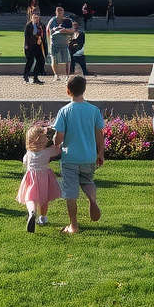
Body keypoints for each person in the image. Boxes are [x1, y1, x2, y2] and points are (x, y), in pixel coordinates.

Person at [51, 75, 105, 234]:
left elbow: (59, 136)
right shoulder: (93, 110)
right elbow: (99, 134)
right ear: (84, 90)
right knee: (87, 181)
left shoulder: (64, 111)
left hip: (70, 158)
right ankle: (92, 200)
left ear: (68, 91)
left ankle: (73, 225)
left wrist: (55, 141)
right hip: (89, 156)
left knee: (70, 192)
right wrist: (100, 153)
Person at [16, 124, 62, 231]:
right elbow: (58, 150)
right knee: (44, 200)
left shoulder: (29, 153)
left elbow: (25, 161)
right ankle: (42, 217)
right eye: (45, 137)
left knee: (30, 198)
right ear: (41, 141)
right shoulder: (48, 151)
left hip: (31, 177)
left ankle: (32, 212)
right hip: (44, 177)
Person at [46, 6, 74, 81]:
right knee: (54, 59)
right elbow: (48, 30)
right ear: (56, 12)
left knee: (67, 59)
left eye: (61, 11)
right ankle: (56, 75)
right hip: (55, 43)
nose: (60, 13)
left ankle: (67, 75)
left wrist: (65, 31)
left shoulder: (67, 20)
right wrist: (55, 30)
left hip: (64, 43)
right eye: (58, 11)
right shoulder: (53, 20)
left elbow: (72, 29)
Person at [23, 12, 47, 84]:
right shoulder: (28, 26)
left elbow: (43, 35)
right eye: (35, 17)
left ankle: (35, 76)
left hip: (38, 45)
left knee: (40, 60)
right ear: (32, 17)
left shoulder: (41, 26)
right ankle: (25, 75)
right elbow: (27, 37)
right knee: (30, 61)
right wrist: (26, 45)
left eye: (37, 18)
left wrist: (41, 40)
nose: (36, 19)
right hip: (30, 45)